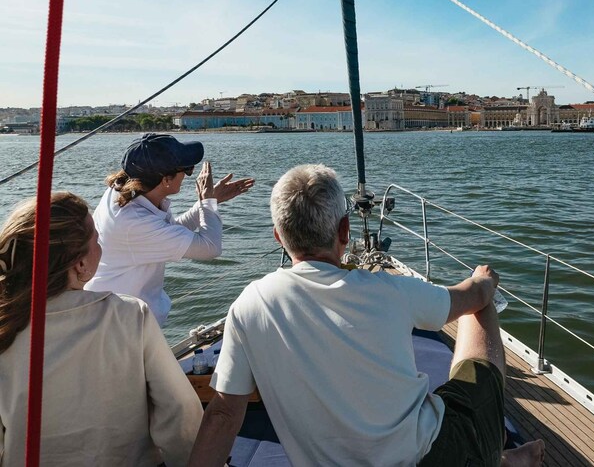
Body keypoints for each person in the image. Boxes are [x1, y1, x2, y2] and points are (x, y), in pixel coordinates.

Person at [189, 164, 544, 466]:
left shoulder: (249, 305)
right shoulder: (389, 290)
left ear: (278, 237)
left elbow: (222, 415)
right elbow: (471, 296)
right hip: (430, 455)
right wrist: (482, 280)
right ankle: (497, 454)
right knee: (477, 323)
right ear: (344, 231)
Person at [0, 192, 203, 466]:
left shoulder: (6, 328)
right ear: (81, 264)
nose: (101, 245)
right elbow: (180, 413)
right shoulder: (130, 315)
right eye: (97, 239)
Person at [85, 133, 254, 325]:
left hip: (116, 316)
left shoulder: (123, 194)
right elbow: (210, 248)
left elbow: (168, 232)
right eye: (187, 169)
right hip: (121, 326)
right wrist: (207, 203)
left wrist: (209, 202)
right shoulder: (135, 222)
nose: (187, 175)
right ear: (166, 179)